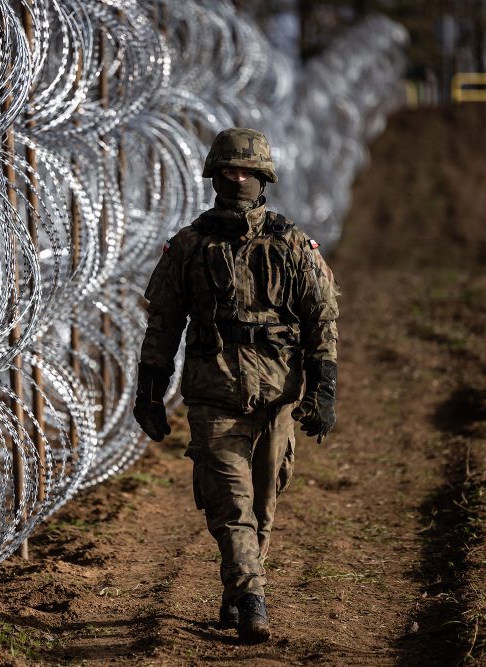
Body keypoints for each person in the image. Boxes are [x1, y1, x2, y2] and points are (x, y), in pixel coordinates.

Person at [132, 128, 339, 643]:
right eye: (228, 170)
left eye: (246, 170)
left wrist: (323, 387)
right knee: (231, 505)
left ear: (263, 177)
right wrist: (149, 391)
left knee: (265, 505)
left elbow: (322, 318)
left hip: (278, 395)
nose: (237, 177)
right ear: (215, 175)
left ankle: (240, 587)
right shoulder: (188, 246)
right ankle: (251, 596)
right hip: (212, 391)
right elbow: (162, 324)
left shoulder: (292, 244)